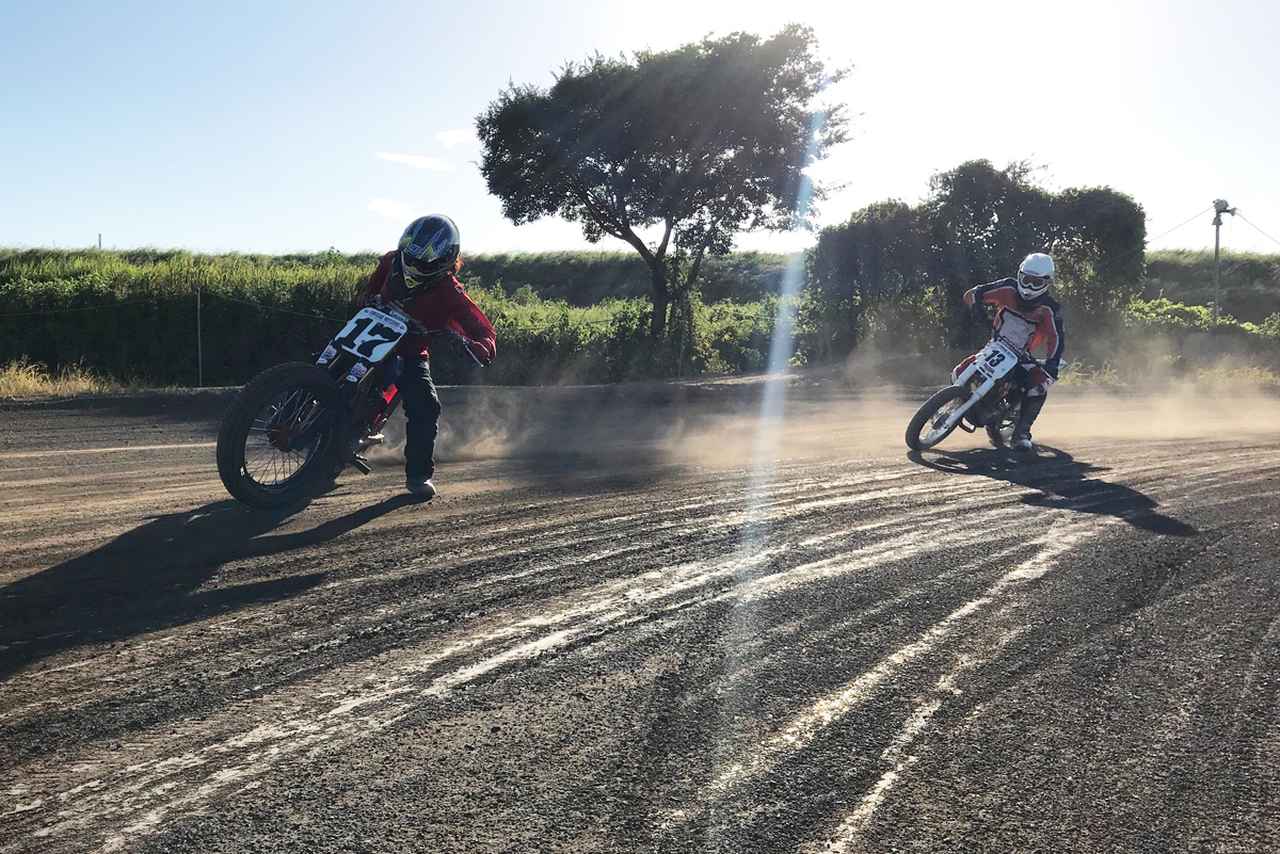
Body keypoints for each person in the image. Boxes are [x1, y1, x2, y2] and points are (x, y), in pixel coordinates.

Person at [358, 215, 496, 499]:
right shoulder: (391, 261)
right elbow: (369, 291)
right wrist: (367, 299)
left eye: (426, 257)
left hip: (410, 351)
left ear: (445, 258)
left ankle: (419, 476)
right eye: (413, 251)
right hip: (364, 336)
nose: (416, 261)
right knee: (320, 360)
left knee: (426, 407)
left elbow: (483, 328)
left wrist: (481, 345)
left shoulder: (450, 291)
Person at [962, 252, 1065, 451]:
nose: (1030, 286)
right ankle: (962, 396)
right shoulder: (1008, 288)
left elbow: (1056, 338)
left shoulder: (1050, 309)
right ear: (1020, 275)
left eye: (1036, 282)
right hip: (995, 345)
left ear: (1047, 283)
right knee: (961, 369)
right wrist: (976, 309)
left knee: (1039, 386)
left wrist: (1052, 364)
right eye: (1027, 280)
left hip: (1021, 355)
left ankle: (1021, 434)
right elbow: (974, 293)